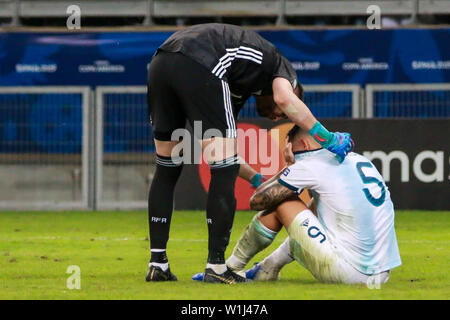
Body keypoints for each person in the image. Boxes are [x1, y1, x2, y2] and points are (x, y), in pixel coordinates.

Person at [146, 23, 354, 283]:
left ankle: (158, 264)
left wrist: (256, 178)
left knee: (168, 164)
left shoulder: (237, 87)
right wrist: (328, 137)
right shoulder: (282, 67)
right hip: (201, 60)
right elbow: (285, 100)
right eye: (287, 112)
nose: (281, 116)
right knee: (221, 171)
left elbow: (211, 149)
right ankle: (217, 268)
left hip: (161, 62)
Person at [220, 125, 401, 284]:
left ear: (305, 145)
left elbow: (257, 200)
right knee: (313, 207)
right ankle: (268, 267)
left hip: (350, 272)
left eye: (292, 150)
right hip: (381, 273)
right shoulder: (358, 159)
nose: (294, 156)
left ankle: (231, 267)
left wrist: (289, 166)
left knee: (282, 201)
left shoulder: (311, 163)